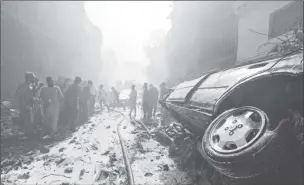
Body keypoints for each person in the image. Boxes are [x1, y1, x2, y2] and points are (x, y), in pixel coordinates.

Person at [13, 72, 36, 136]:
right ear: (29, 78)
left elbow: (30, 96)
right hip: (25, 105)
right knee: (26, 118)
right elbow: (22, 96)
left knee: (28, 118)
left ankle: (27, 132)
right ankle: (28, 133)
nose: (34, 78)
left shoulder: (30, 85)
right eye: (33, 77)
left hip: (29, 105)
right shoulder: (24, 85)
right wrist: (25, 105)